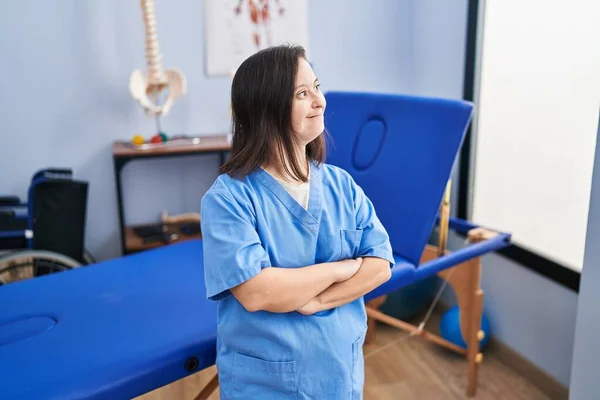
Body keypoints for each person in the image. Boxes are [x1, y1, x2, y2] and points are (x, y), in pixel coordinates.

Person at [200, 44, 395, 400]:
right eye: (303, 93)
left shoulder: (341, 186)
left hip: (340, 378)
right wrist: (342, 269)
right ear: (266, 108)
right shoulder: (229, 198)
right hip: (267, 385)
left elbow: (380, 267)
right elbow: (257, 292)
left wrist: (317, 301)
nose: (319, 101)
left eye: (317, 87)